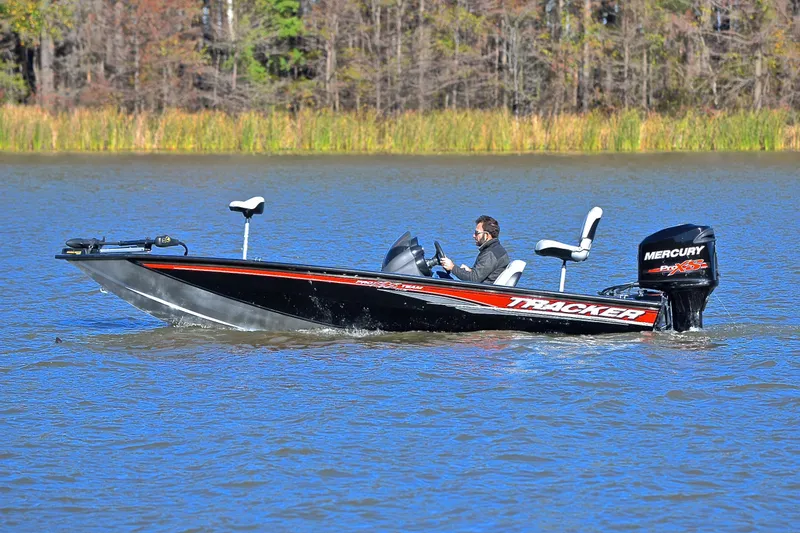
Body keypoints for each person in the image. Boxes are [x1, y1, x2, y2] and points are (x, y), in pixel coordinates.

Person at [440, 215, 509, 284]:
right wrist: (470, 270)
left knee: (437, 276)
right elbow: (482, 274)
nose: (473, 236)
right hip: (482, 288)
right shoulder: (495, 249)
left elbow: (474, 279)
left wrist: (452, 267)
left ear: (486, 235)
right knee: (441, 275)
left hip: (480, 291)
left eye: (477, 233)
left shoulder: (490, 254)